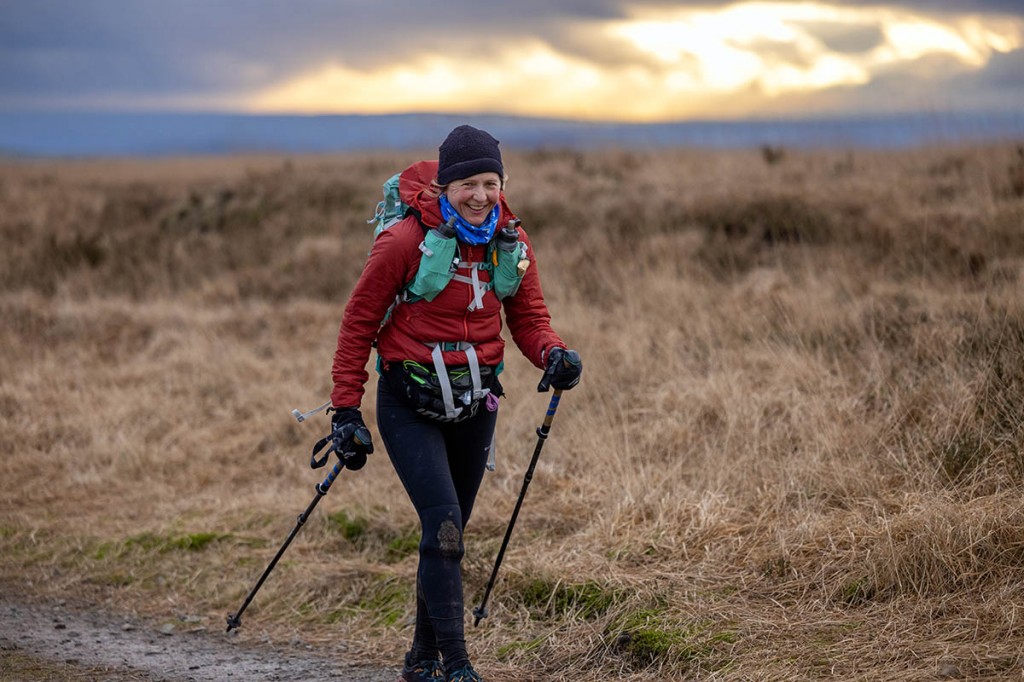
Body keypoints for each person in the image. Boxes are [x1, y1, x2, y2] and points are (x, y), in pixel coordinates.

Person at [327, 124, 582, 682]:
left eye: (490, 182)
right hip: (407, 401)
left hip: (476, 400)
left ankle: (421, 658)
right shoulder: (402, 243)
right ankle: (458, 666)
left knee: (449, 536)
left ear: (502, 184)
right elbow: (358, 323)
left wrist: (555, 355)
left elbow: (529, 320)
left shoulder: (512, 243)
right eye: (467, 182)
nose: (480, 195)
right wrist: (345, 411)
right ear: (446, 186)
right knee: (443, 524)